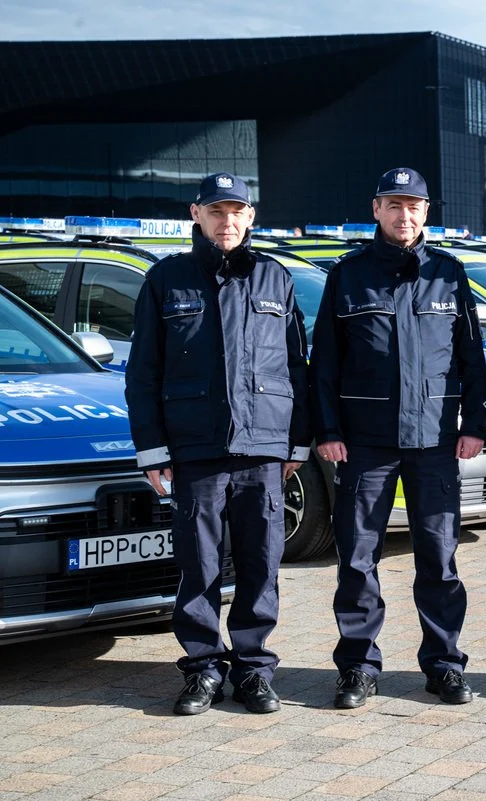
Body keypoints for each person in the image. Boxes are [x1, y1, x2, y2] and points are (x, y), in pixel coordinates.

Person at [125, 172, 310, 716]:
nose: (226, 221)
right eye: (215, 211)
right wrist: (152, 448)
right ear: (196, 214)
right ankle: (203, 668)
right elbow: (143, 373)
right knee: (200, 564)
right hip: (195, 449)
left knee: (261, 563)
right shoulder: (167, 279)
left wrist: (298, 442)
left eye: (236, 212)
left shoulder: (276, 278)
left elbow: (296, 366)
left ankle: (253, 670)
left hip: (263, 449)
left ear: (251, 217)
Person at [309, 167, 486, 708]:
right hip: (364, 444)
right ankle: (358, 666)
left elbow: (470, 360)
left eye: (413, 206)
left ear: (426, 212)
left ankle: (444, 664)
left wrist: (476, 425)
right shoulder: (348, 275)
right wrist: (327, 430)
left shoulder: (449, 274)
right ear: (376, 209)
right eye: (393, 205)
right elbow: (326, 364)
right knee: (358, 558)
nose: (403, 215)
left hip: (435, 441)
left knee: (438, 557)